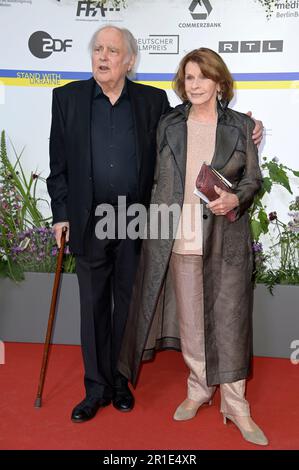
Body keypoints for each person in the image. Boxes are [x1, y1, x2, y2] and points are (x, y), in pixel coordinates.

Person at [118, 48, 268, 446]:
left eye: (203, 77)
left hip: (226, 239)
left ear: (220, 82)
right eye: (189, 78)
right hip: (179, 236)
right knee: (191, 321)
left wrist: (236, 198)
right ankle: (199, 386)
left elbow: (253, 179)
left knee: (231, 321)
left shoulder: (239, 127)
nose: (196, 84)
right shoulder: (168, 123)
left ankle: (236, 405)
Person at [47, 25, 170, 423]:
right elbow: (58, 166)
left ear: (129, 60)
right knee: (93, 305)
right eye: (97, 49)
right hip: (89, 217)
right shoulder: (67, 98)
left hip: (135, 217)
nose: (102, 56)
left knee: (127, 307)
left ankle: (120, 382)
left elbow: (189, 130)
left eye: (112, 51)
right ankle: (95, 388)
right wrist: (61, 213)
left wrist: (242, 125)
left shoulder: (153, 101)